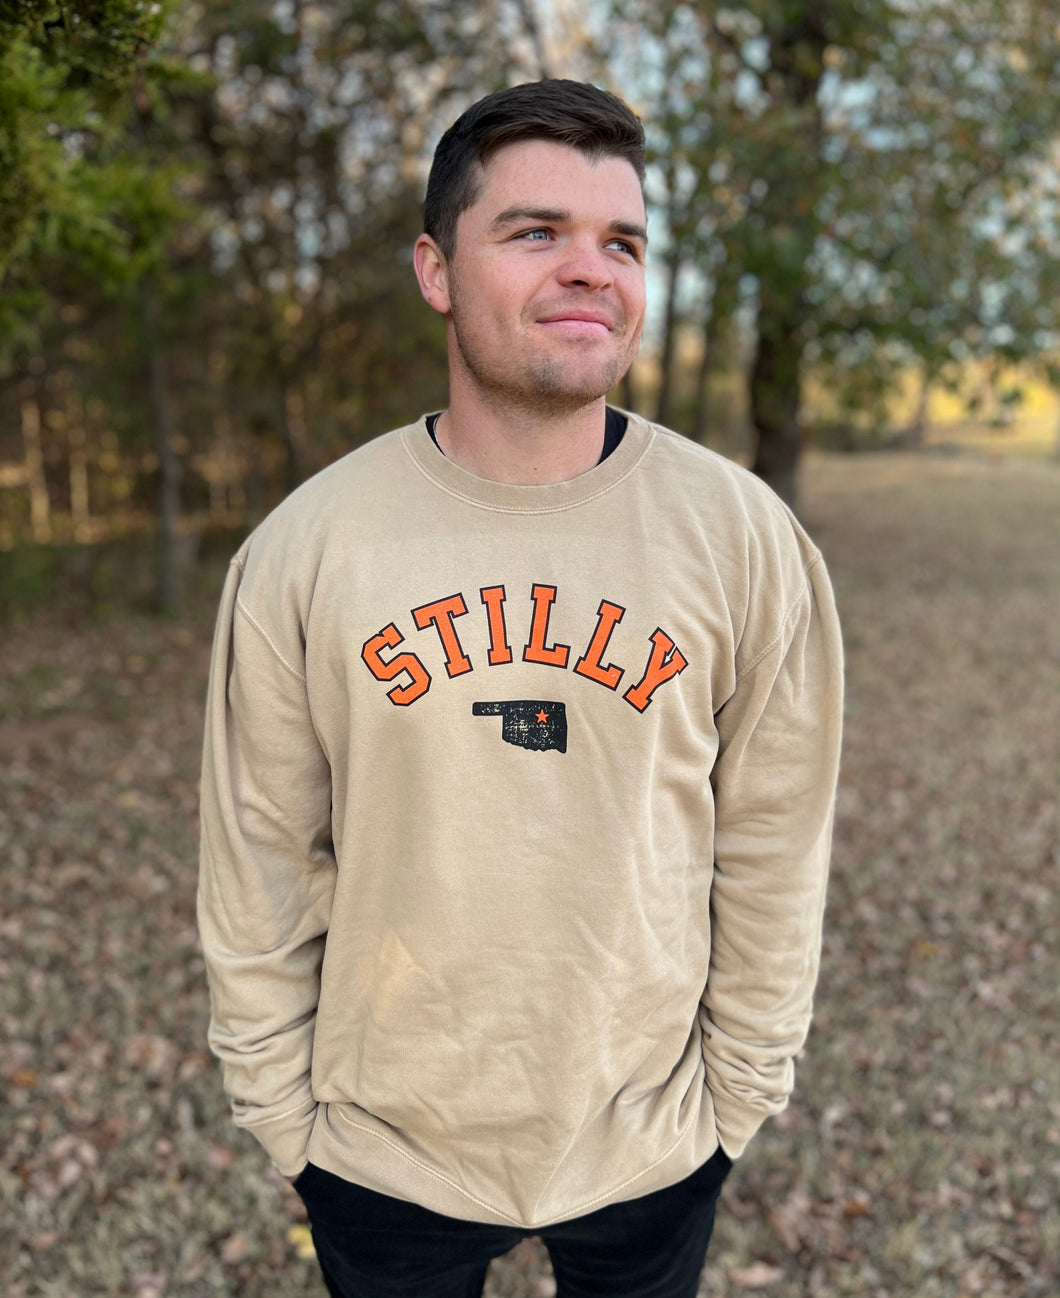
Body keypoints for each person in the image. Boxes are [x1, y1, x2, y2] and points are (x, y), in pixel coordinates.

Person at [197, 79, 843, 1298]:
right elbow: (261, 855)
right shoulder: (309, 547)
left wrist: (736, 1097)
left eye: (622, 242)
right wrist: (285, 1115)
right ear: (436, 270)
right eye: (536, 231)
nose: (590, 268)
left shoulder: (742, 538)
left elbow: (774, 842)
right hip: (383, 1149)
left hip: (652, 1135)